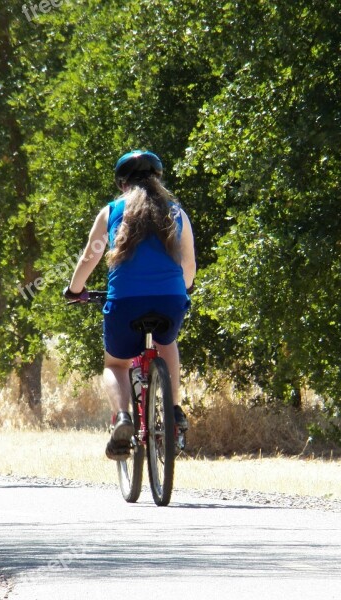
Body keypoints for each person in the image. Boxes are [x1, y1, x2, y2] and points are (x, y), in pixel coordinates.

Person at [64, 150, 196, 460]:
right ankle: (174, 409)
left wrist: (74, 289)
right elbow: (189, 262)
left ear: (123, 184)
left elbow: (90, 256)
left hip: (125, 301)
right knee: (168, 341)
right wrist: (184, 287)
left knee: (115, 363)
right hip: (170, 299)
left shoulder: (111, 211)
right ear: (157, 180)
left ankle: (122, 417)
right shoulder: (176, 212)